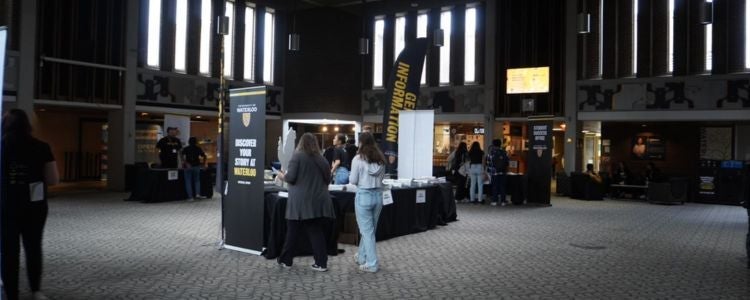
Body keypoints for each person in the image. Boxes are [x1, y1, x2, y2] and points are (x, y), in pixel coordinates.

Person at [1, 109, 60, 300]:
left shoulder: (1, 146)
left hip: (6, 205)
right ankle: (36, 290)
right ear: (27, 125)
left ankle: (11, 294)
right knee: (33, 247)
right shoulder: (41, 147)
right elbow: (53, 179)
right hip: (35, 205)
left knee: (9, 251)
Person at [275, 133, 336, 272]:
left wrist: (281, 175)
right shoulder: (322, 159)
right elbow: (328, 179)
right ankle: (321, 263)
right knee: (315, 231)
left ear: (301, 142)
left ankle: (286, 260)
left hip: (300, 202)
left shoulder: (297, 156)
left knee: (292, 231)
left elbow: (291, 178)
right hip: (319, 201)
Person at [348, 132, 385, 273]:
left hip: (363, 195)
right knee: (370, 230)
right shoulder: (380, 159)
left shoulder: (358, 159)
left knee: (367, 231)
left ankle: (372, 263)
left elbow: (352, 180)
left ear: (361, 143)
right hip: (378, 196)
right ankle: (362, 257)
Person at [487, 139, 509, 206]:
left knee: (495, 187)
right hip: (503, 172)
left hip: (494, 173)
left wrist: (489, 172)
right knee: (503, 187)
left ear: (493, 145)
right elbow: (507, 162)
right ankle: (503, 201)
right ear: (500, 144)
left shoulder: (491, 153)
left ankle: (494, 201)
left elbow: (488, 163)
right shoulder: (504, 152)